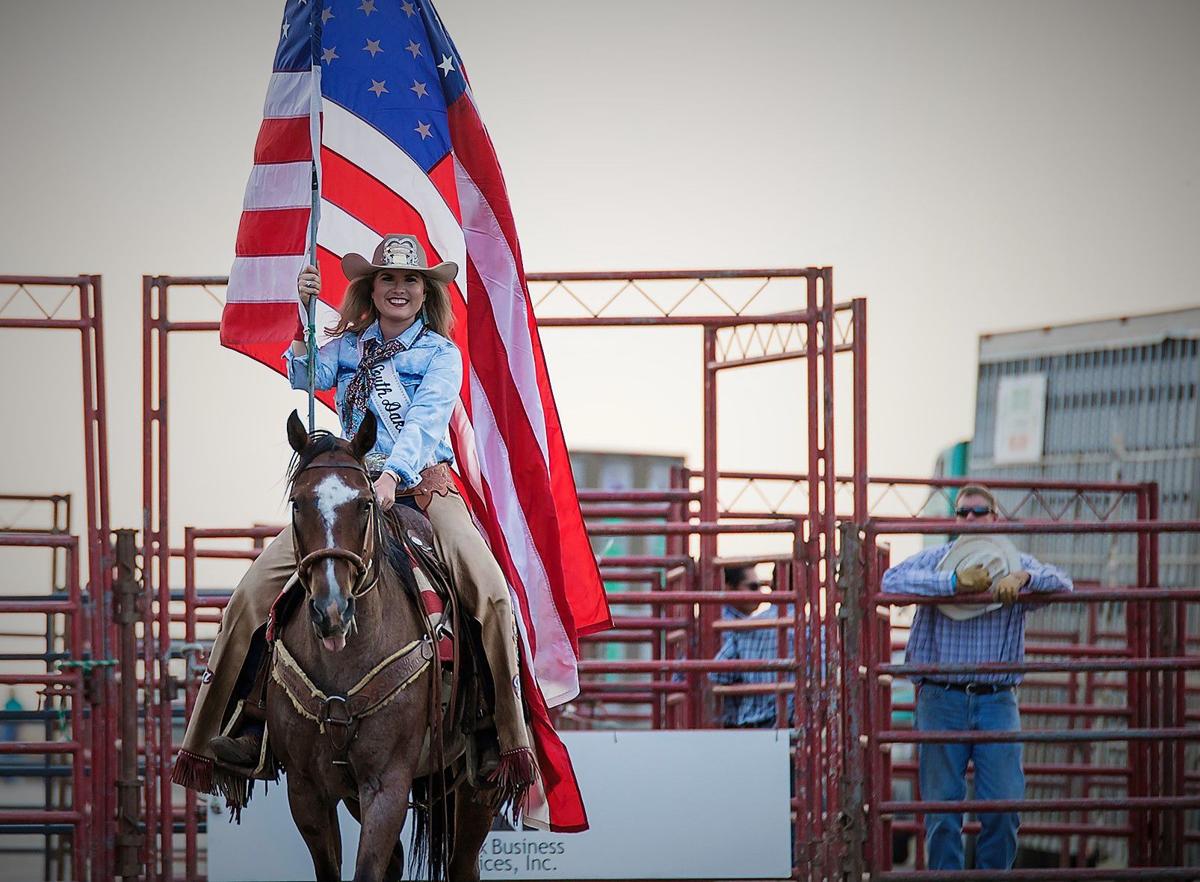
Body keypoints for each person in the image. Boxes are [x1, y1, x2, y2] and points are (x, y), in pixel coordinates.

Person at [173, 233, 535, 802]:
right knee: (248, 598)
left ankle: (501, 735)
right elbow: (301, 370)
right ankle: (225, 733)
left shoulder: (441, 354)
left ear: (425, 292)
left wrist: (393, 475)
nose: (399, 288)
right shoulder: (349, 346)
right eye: (388, 279)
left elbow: (425, 420)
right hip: (348, 498)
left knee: (490, 594)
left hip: (423, 489)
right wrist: (302, 312)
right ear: (371, 288)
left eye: (410, 280)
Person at [882, 483, 1073, 871]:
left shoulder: (1014, 562)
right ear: (956, 519)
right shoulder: (938, 559)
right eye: (963, 512)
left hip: (995, 698)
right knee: (942, 813)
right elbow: (889, 582)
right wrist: (951, 584)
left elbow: (1062, 582)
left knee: (1004, 807)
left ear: (994, 518)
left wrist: (1023, 580)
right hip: (942, 697)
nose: (969, 518)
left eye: (978, 512)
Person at [708, 565, 794, 728]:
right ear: (729, 588)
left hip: (749, 726)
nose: (759, 593)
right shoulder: (815, 628)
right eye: (753, 587)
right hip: (794, 723)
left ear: (774, 586)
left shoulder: (745, 627)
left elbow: (717, 675)